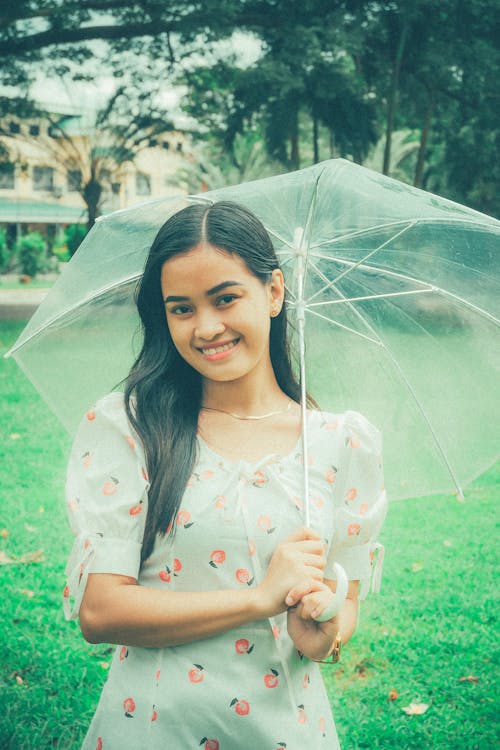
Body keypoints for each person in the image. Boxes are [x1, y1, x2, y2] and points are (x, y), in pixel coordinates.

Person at [64, 200, 388, 749]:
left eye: (225, 298)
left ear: (275, 292)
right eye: (181, 308)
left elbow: (343, 606)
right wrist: (258, 600)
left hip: (288, 729)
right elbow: (99, 611)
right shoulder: (130, 427)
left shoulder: (341, 442)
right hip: (152, 727)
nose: (206, 327)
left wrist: (326, 626)